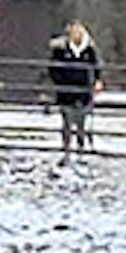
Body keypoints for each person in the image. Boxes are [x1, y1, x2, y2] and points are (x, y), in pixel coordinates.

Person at [45, 17, 102, 158]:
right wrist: (59, 81)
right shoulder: (61, 50)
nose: (76, 34)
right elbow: (53, 68)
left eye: (79, 32)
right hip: (66, 91)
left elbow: (96, 67)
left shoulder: (89, 50)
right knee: (66, 121)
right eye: (74, 31)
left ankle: (81, 147)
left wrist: (96, 80)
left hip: (83, 90)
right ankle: (66, 148)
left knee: (81, 120)